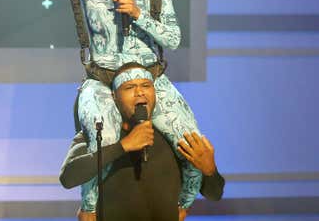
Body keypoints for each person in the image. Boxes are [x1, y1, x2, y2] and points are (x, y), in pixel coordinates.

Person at [29, 0, 202, 212]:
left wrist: (139, 15)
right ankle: (91, 208)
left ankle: (182, 206)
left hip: (150, 80)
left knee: (193, 144)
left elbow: (174, 38)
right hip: (104, 82)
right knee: (102, 140)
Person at [57, 65, 225, 221]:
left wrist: (210, 171)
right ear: (114, 97)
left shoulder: (175, 140)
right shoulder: (99, 135)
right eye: (129, 87)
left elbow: (215, 194)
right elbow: (68, 178)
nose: (140, 92)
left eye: (146, 86)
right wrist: (123, 146)